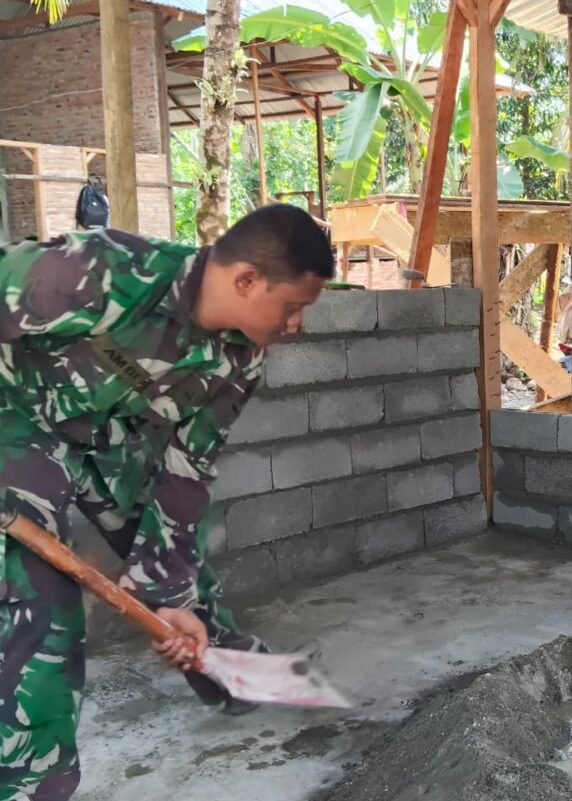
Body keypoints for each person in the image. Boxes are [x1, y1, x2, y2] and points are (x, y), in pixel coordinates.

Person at [0, 203, 332, 799]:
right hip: (16, 417)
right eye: (293, 308)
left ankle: (232, 672)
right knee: (39, 604)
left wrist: (162, 592)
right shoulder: (99, 270)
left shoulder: (241, 356)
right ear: (247, 280)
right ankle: (30, 785)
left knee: (178, 571)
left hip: (104, 439)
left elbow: (186, 472)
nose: (295, 327)